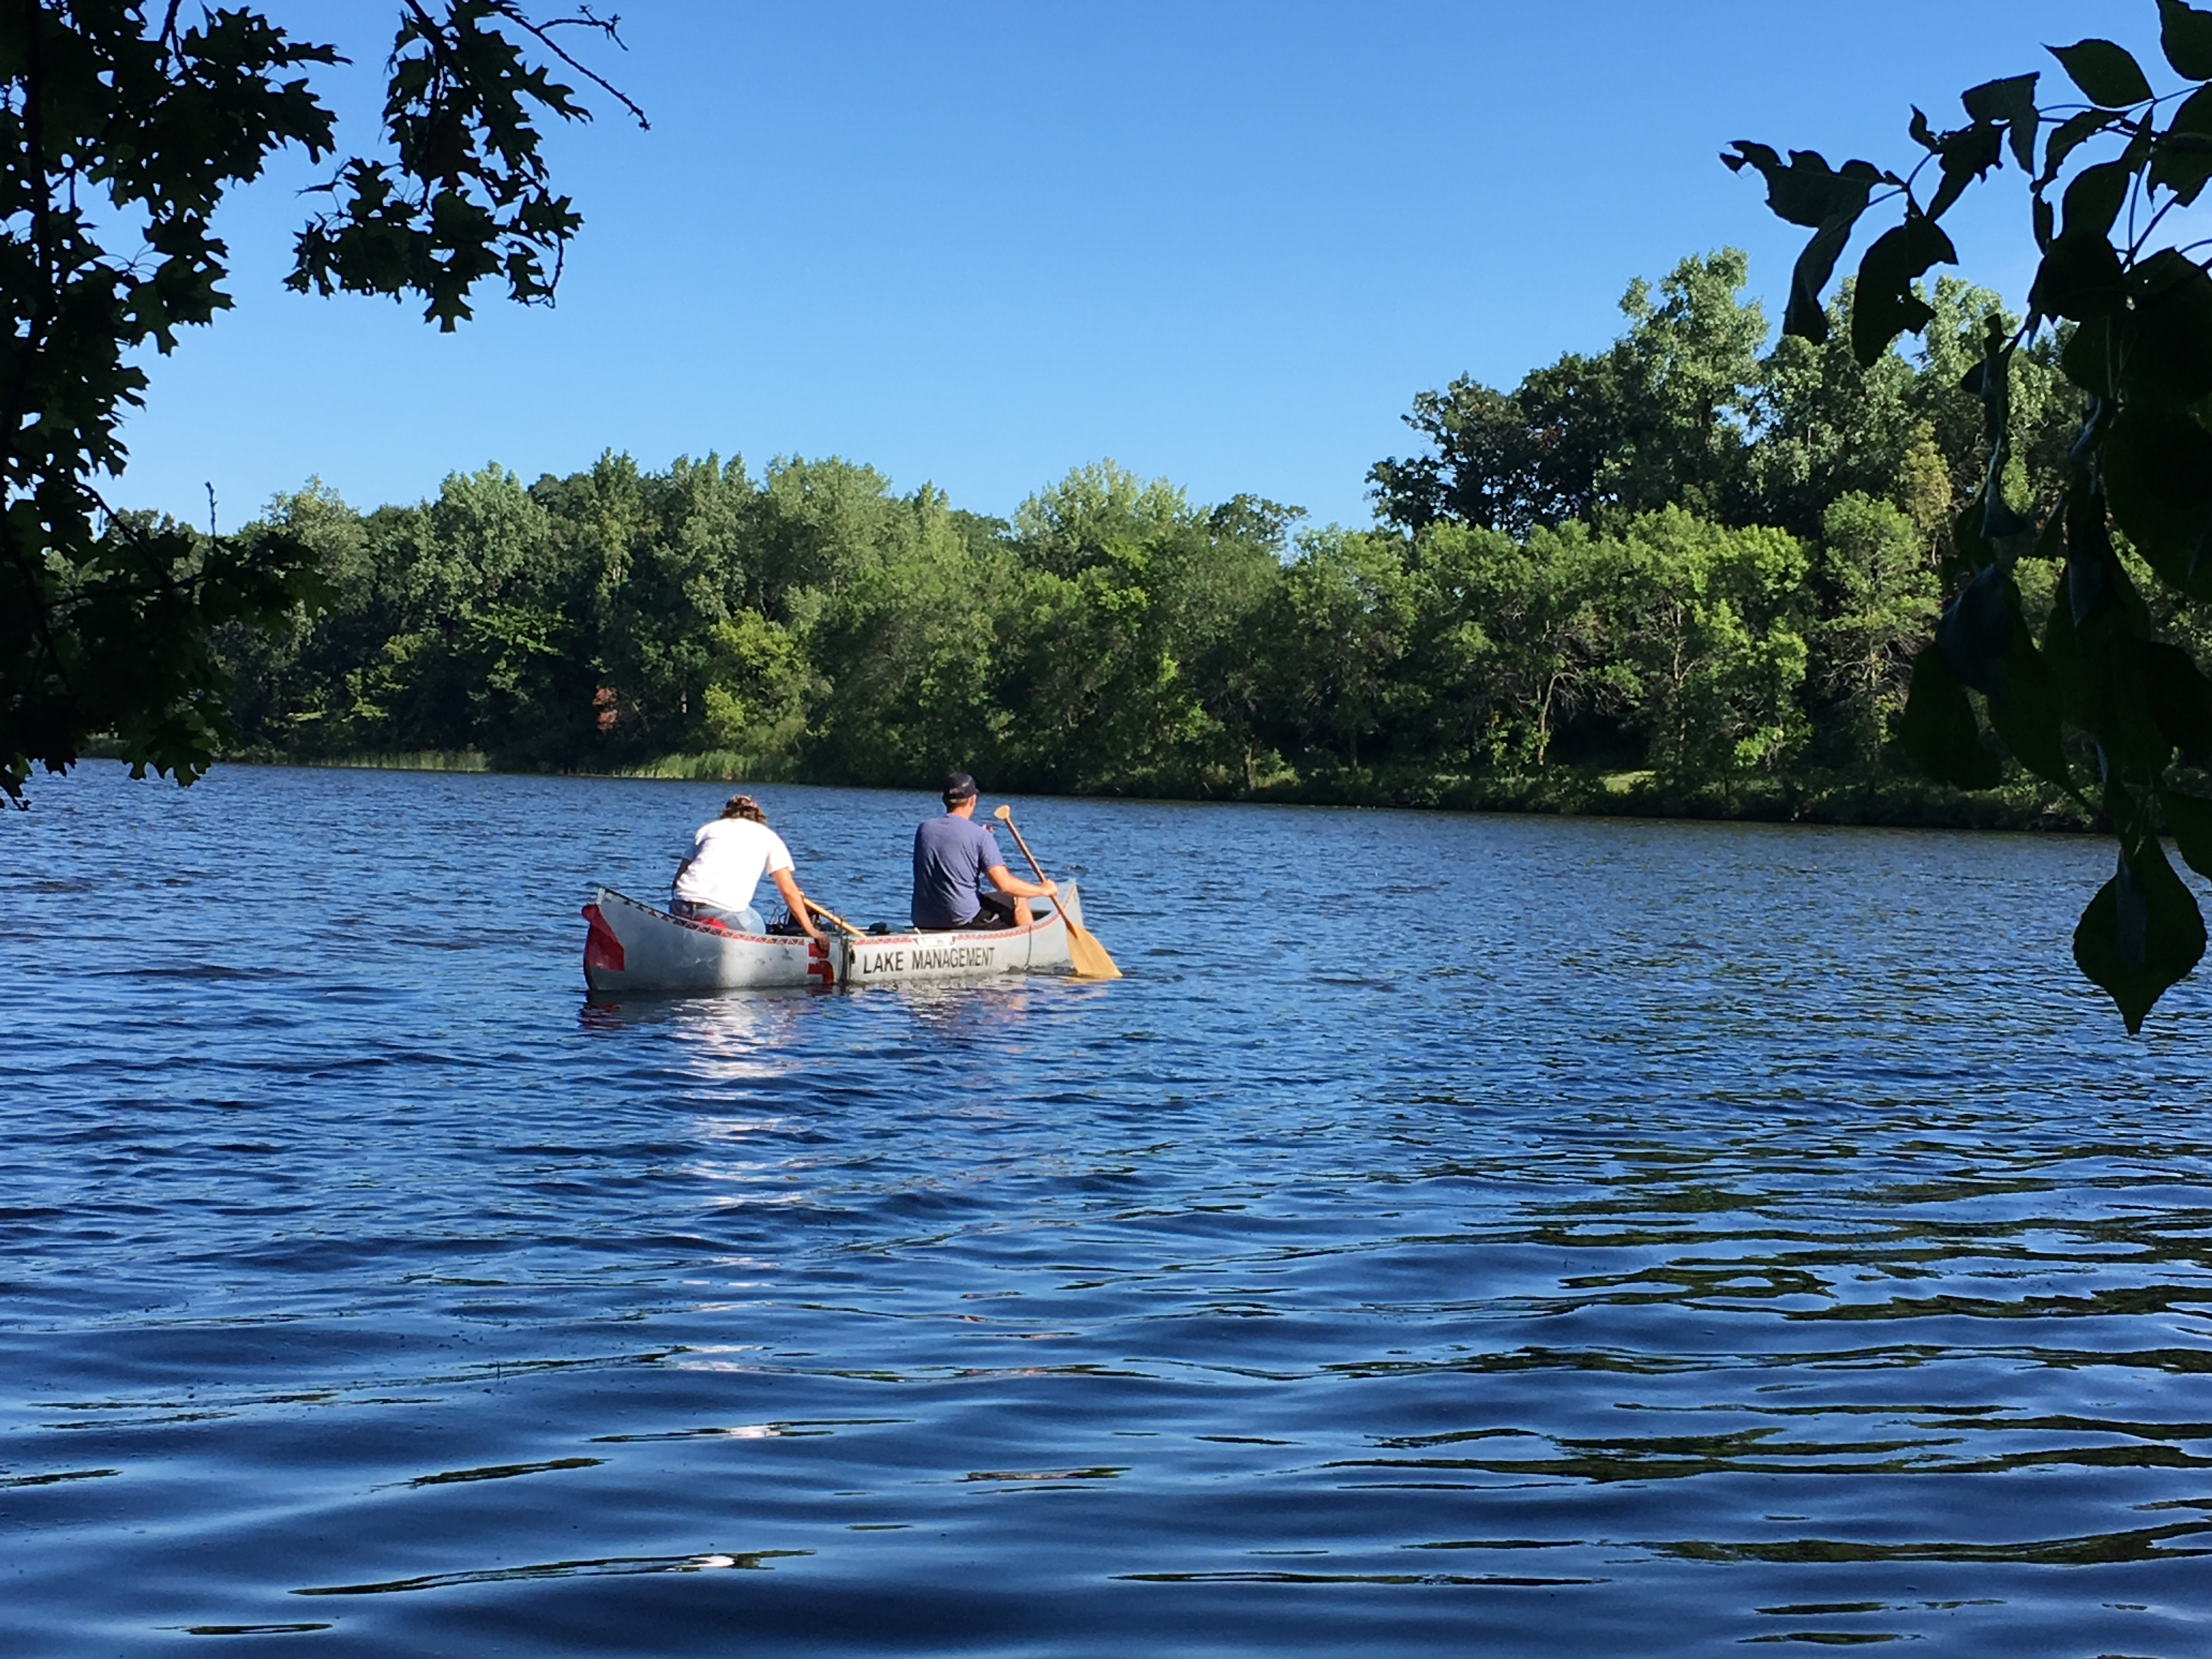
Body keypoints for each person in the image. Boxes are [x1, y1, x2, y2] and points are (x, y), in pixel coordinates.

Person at [912, 772, 1056, 931]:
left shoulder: (924, 829)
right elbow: (1005, 885)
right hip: (962, 919)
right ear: (973, 800)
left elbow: (952, 861)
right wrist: (1043, 890)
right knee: (1018, 897)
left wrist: (978, 841)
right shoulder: (980, 837)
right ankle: (1031, 942)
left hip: (923, 919)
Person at [672, 794, 824, 942]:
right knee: (759, 929)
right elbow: (788, 890)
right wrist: (812, 931)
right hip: (720, 911)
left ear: (727, 813)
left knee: (752, 916)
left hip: (681, 904)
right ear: (758, 816)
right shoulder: (769, 837)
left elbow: (678, 879)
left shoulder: (708, 829)